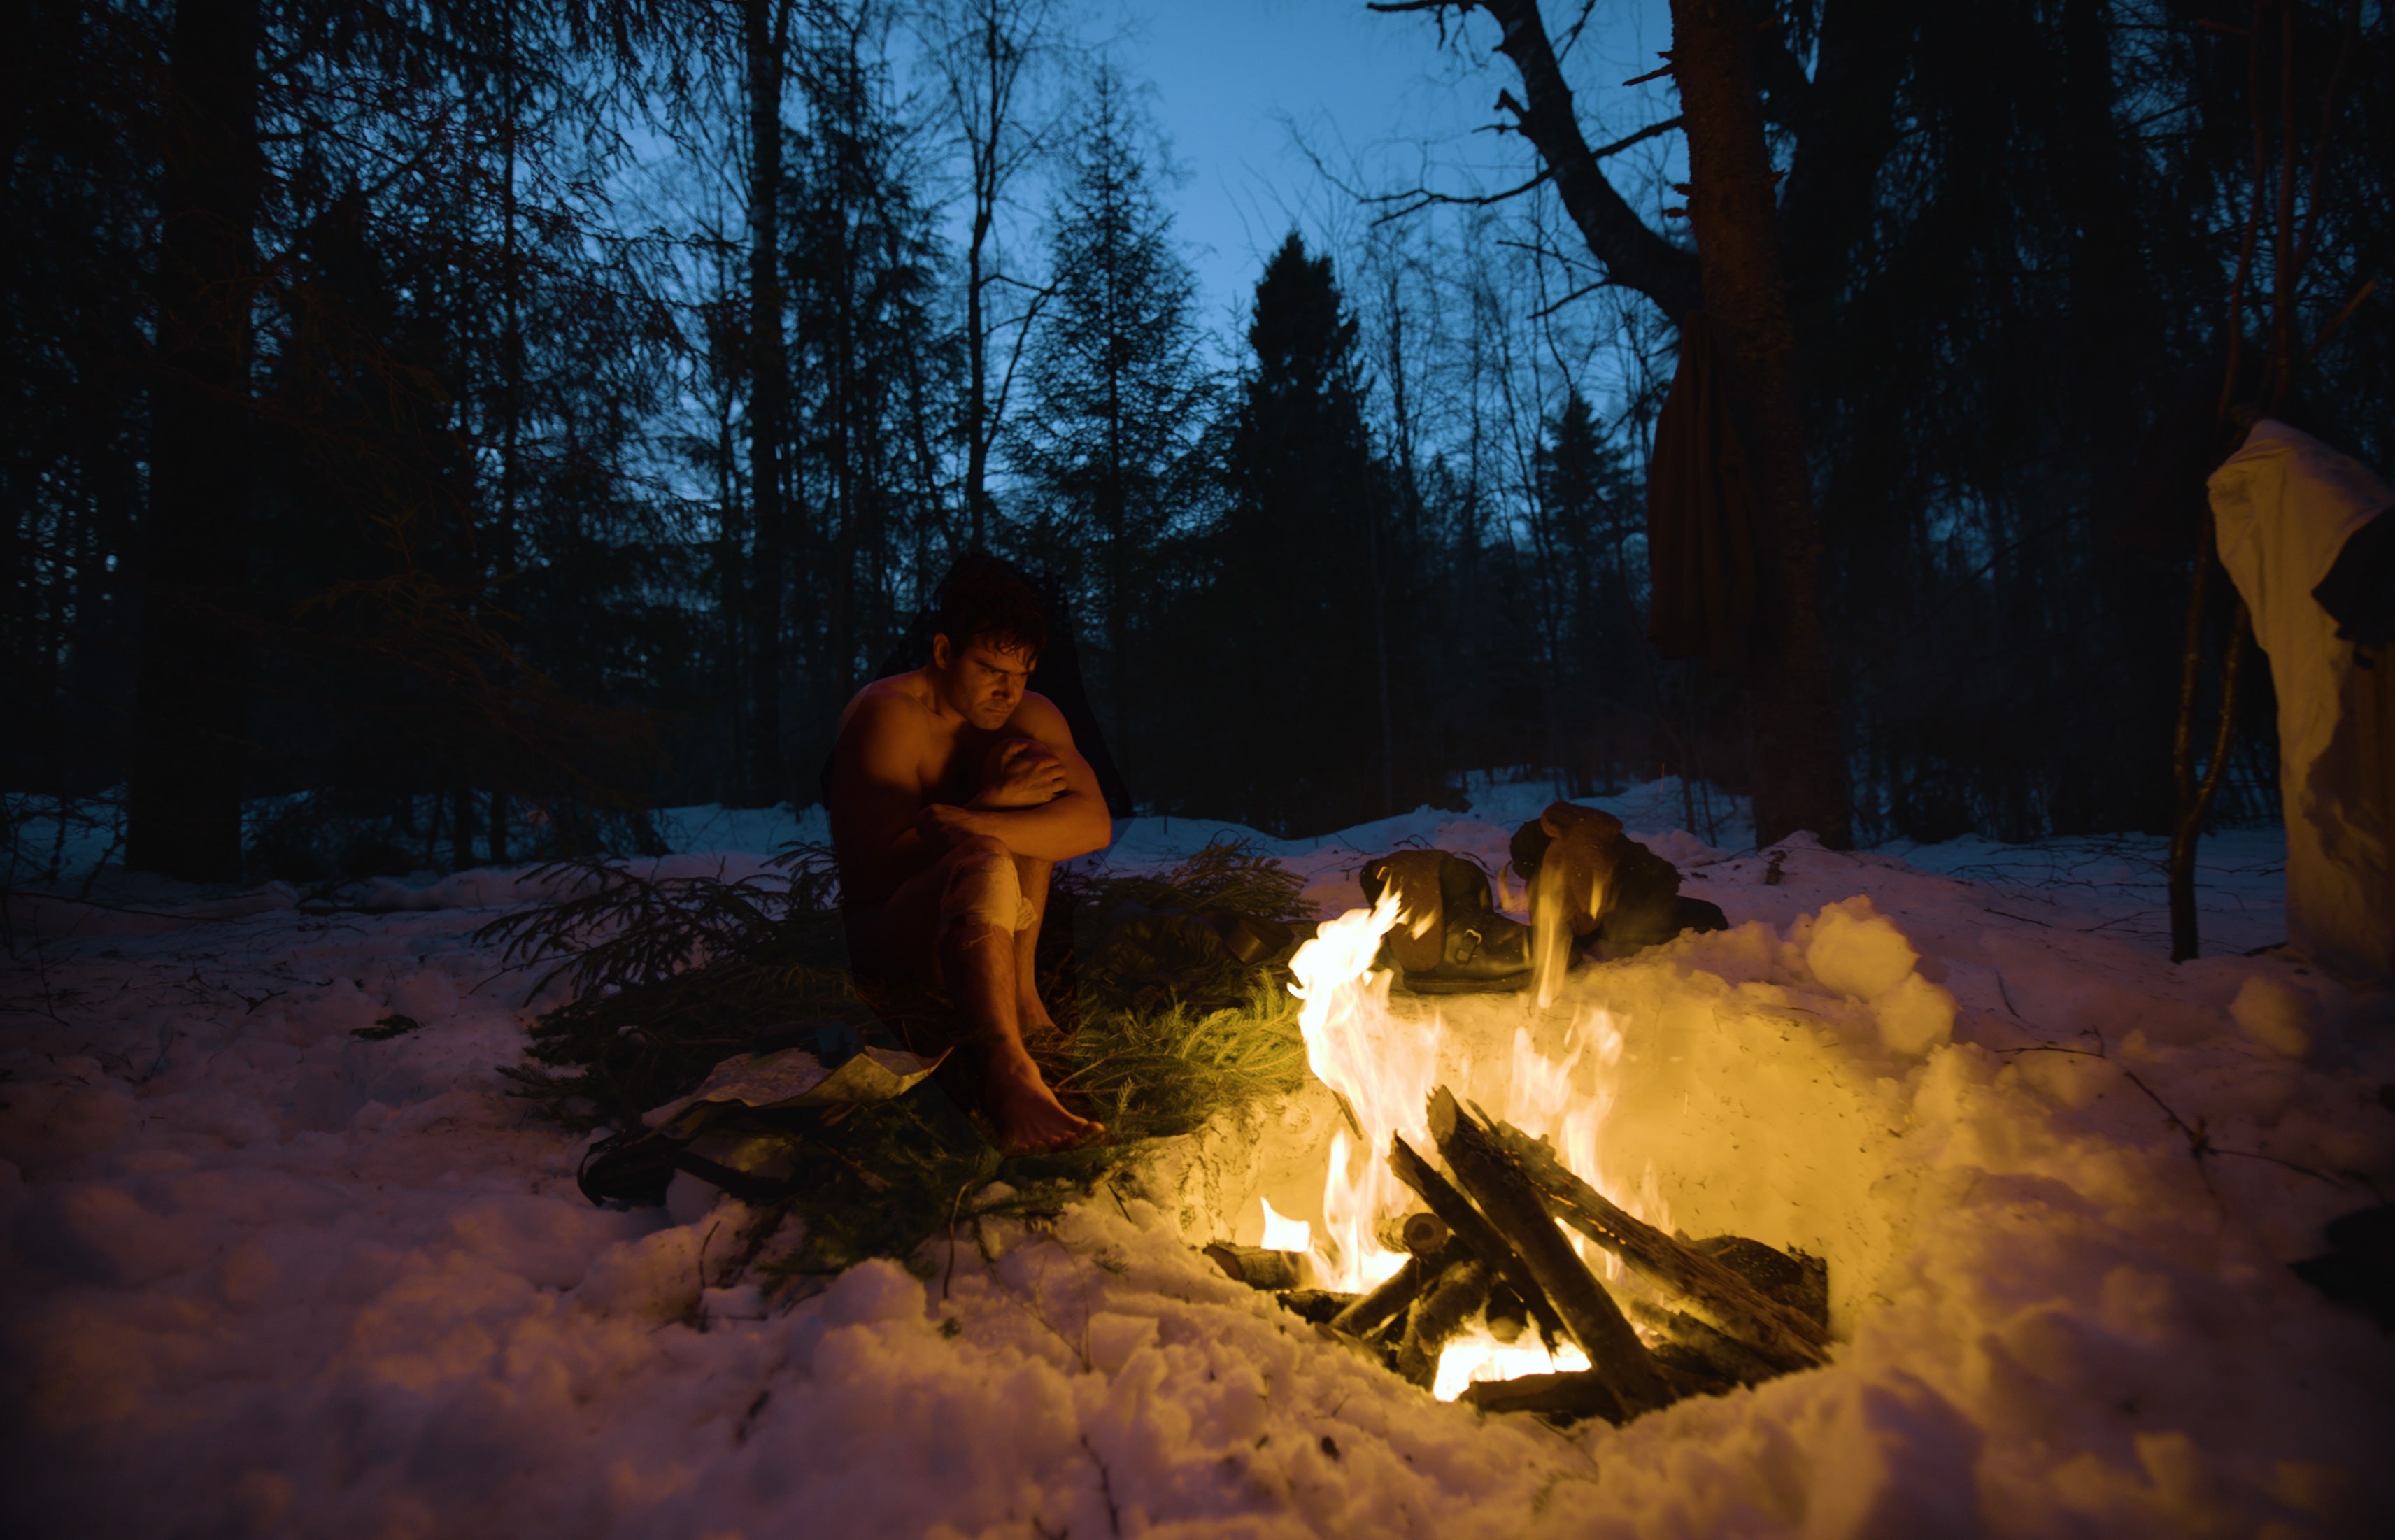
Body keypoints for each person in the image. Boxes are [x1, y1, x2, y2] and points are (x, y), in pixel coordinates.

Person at [827, 557, 1111, 1151]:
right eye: (988, 669)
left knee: (1019, 805)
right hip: (892, 930)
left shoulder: (1029, 712)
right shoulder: (889, 715)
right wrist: (991, 810)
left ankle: (1026, 1003)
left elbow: (1092, 824)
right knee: (989, 847)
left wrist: (982, 813)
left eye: (1022, 673)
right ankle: (1006, 1071)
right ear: (942, 651)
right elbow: (872, 875)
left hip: (981, 921)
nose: (1007, 691)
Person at [2207, 413, 2395, 983]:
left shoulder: (2303, 479)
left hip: (2351, 645)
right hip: (2336, 639)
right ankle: (2350, 947)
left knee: (2338, 783)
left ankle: (2357, 953)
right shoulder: (2300, 477)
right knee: (2332, 783)